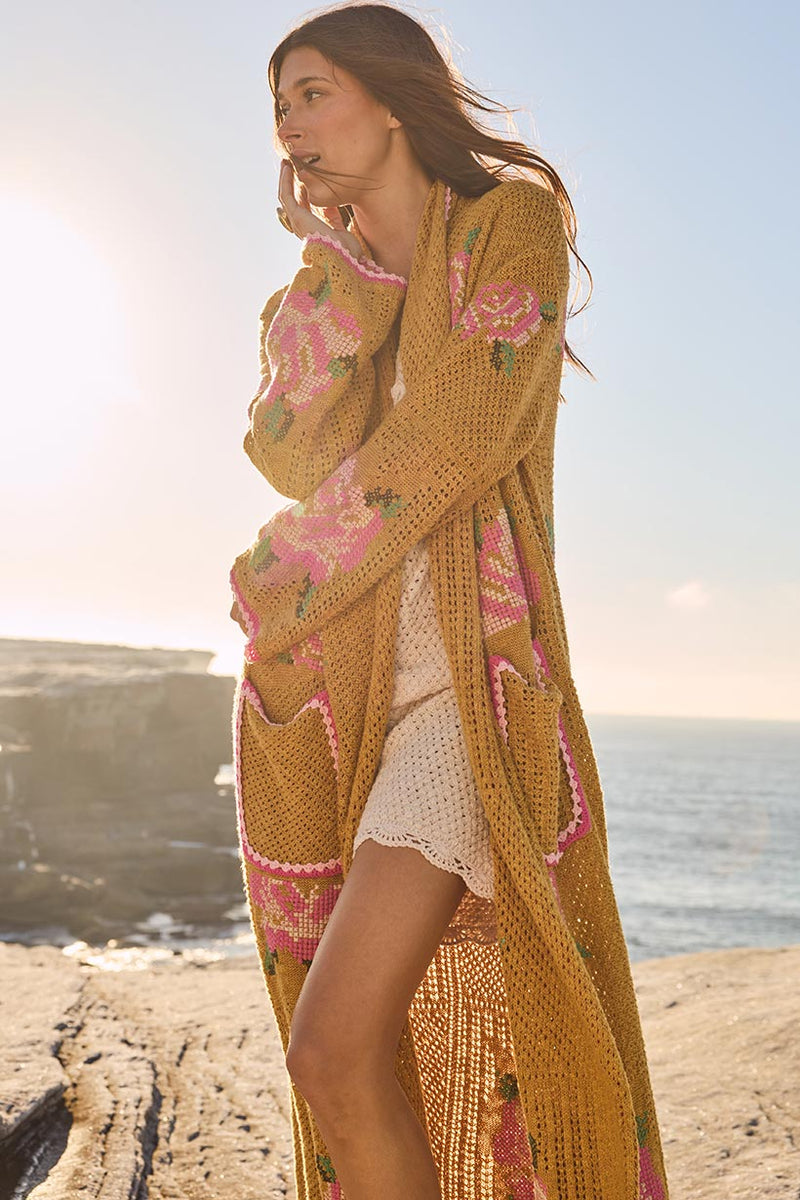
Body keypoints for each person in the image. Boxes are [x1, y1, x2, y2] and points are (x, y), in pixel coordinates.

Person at [229, 5, 670, 1200]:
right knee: (348, 1060)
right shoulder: (323, 291)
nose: (289, 124)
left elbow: (467, 430)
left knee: (331, 1050)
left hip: (468, 696)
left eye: (311, 92)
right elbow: (286, 449)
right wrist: (339, 272)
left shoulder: (507, 224)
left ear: (387, 97)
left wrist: (288, 567)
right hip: (347, 695)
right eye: (277, 106)